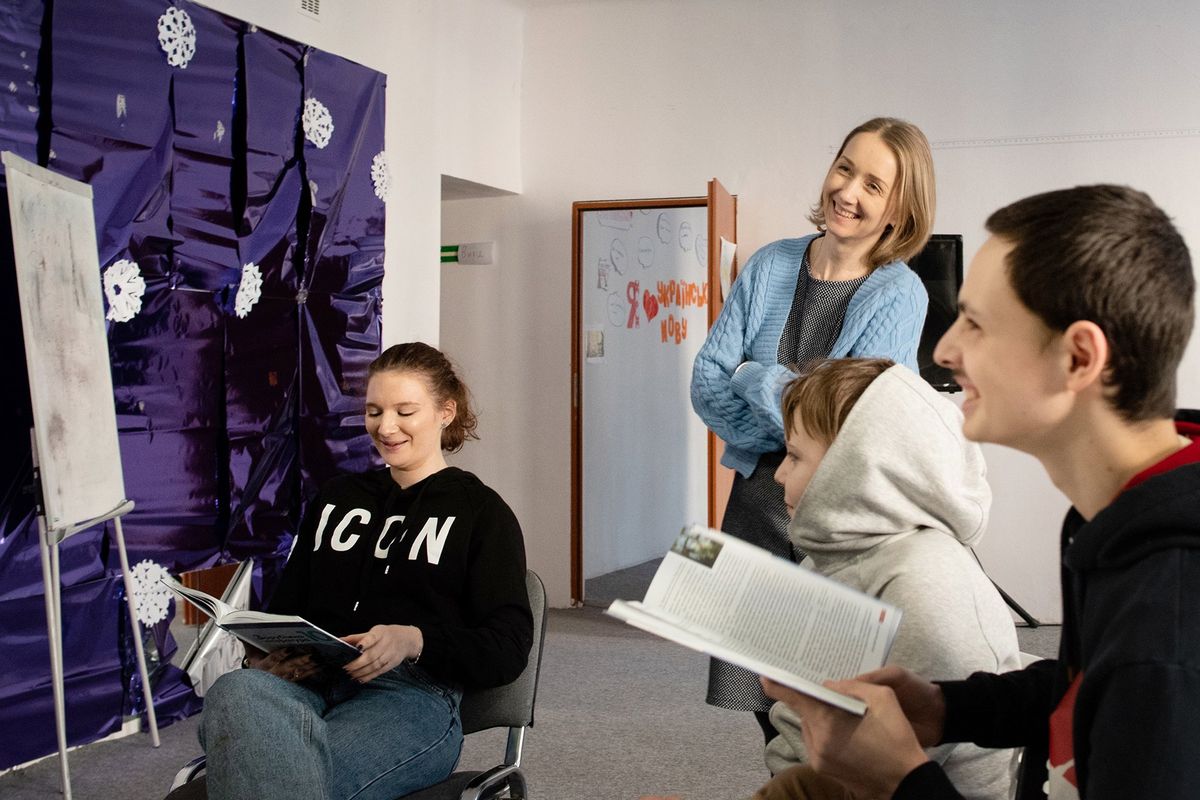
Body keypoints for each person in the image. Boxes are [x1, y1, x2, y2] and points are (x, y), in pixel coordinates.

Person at [763, 185, 1200, 800]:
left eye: (976, 324)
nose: (944, 350)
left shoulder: (1168, 620)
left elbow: (1139, 683)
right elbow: (1090, 690)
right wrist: (948, 707)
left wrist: (903, 780)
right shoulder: (1114, 518)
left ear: (1078, 358)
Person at [198, 342, 534, 800]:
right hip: (310, 683)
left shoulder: (482, 513)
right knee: (237, 691)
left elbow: (508, 647)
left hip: (410, 699)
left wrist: (414, 639)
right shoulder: (337, 497)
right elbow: (287, 608)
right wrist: (269, 655)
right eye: (374, 411)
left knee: (274, 772)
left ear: (445, 412)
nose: (386, 427)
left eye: (405, 411)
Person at [690, 117, 936, 737]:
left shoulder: (898, 293)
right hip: (756, 507)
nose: (848, 191)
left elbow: (846, 421)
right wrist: (794, 410)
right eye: (845, 167)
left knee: (833, 698)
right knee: (762, 697)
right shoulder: (771, 263)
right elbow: (705, 383)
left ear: (900, 210)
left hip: (835, 517)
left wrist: (753, 375)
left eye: (874, 185)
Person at [748, 358, 1019, 800]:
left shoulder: (925, 582)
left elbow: (881, 766)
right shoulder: (826, 561)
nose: (779, 473)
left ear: (854, 470)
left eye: (794, 456)